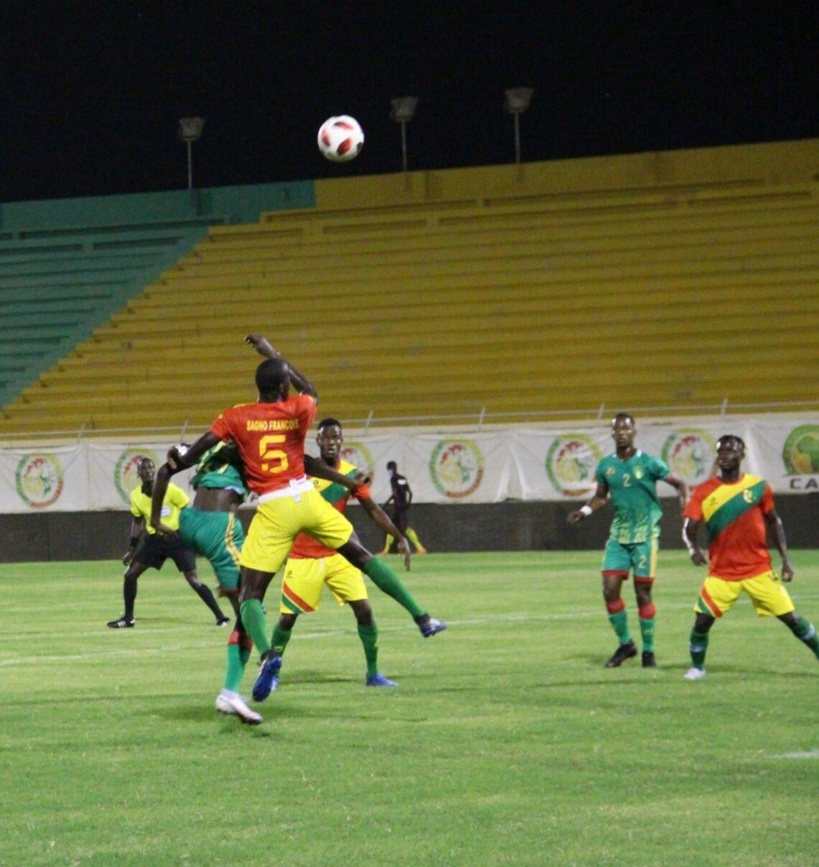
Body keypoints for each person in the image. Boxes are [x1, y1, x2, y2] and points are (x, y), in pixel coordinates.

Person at [159, 334, 445, 707]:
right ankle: (421, 617)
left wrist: (177, 460)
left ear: (257, 387)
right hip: (306, 498)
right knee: (362, 557)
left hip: (275, 508)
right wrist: (274, 353)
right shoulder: (296, 410)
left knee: (251, 595)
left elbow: (192, 453)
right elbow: (309, 390)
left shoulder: (236, 416)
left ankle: (268, 656)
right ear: (282, 385)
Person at [270, 418, 414, 690]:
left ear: (342, 441)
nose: (331, 443)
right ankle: (272, 671)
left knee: (364, 611)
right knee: (287, 619)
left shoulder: (350, 473)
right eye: (326, 438)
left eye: (336, 438)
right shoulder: (303, 472)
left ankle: (373, 674)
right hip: (303, 555)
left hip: (339, 554)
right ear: (317, 440)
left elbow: (373, 509)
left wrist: (398, 536)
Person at [682, 434, 819, 680]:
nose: (723, 455)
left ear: (741, 455)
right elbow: (688, 526)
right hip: (722, 573)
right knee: (701, 621)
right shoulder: (704, 491)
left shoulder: (758, 487)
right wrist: (693, 549)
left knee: (792, 619)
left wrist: (786, 560)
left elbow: (774, 521)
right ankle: (697, 668)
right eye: (720, 451)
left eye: (730, 451)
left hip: (759, 570)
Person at [151, 442, 261, 724]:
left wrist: (154, 519)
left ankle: (241, 681)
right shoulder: (250, 449)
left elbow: (165, 471)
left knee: (246, 605)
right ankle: (255, 671)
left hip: (191, 521)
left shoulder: (211, 449)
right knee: (250, 610)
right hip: (220, 528)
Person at [568, 413, 688, 668]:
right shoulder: (605, 466)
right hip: (619, 537)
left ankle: (649, 651)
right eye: (617, 428)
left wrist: (686, 509)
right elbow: (601, 496)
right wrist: (585, 511)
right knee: (609, 590)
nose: (622, 432)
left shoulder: (649, 463)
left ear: (634, 432)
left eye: (626, 428)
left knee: (642, 594)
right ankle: (626, 644)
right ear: (612, 434)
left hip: (645, 536)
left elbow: (679, 483)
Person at [107, 457, 229, 629]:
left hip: (177, 539)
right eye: (144, 469)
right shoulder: (136, 496)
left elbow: (189, 511)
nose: (148, 471)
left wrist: (193, 535)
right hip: (154, 541)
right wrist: (131, 549)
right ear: (138, 474)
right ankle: (128, 618)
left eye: (151, 468)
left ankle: (220, 616)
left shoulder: (170, 490)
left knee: (194, 580)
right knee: (130, 575)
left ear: (155, 471)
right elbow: (137, 522)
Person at [380, 460, 427, 555]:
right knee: (401, 527)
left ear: (391, 469)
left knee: (393, 527)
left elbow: (394, 494)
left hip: (397, 508)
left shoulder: (393, 479)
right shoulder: (402, 478)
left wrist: (384, 505)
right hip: (403, 508)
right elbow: (410, 493)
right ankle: (420, 548)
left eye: (388, 470)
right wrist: (408, 504)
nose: (388, 472)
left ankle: (420, 548)